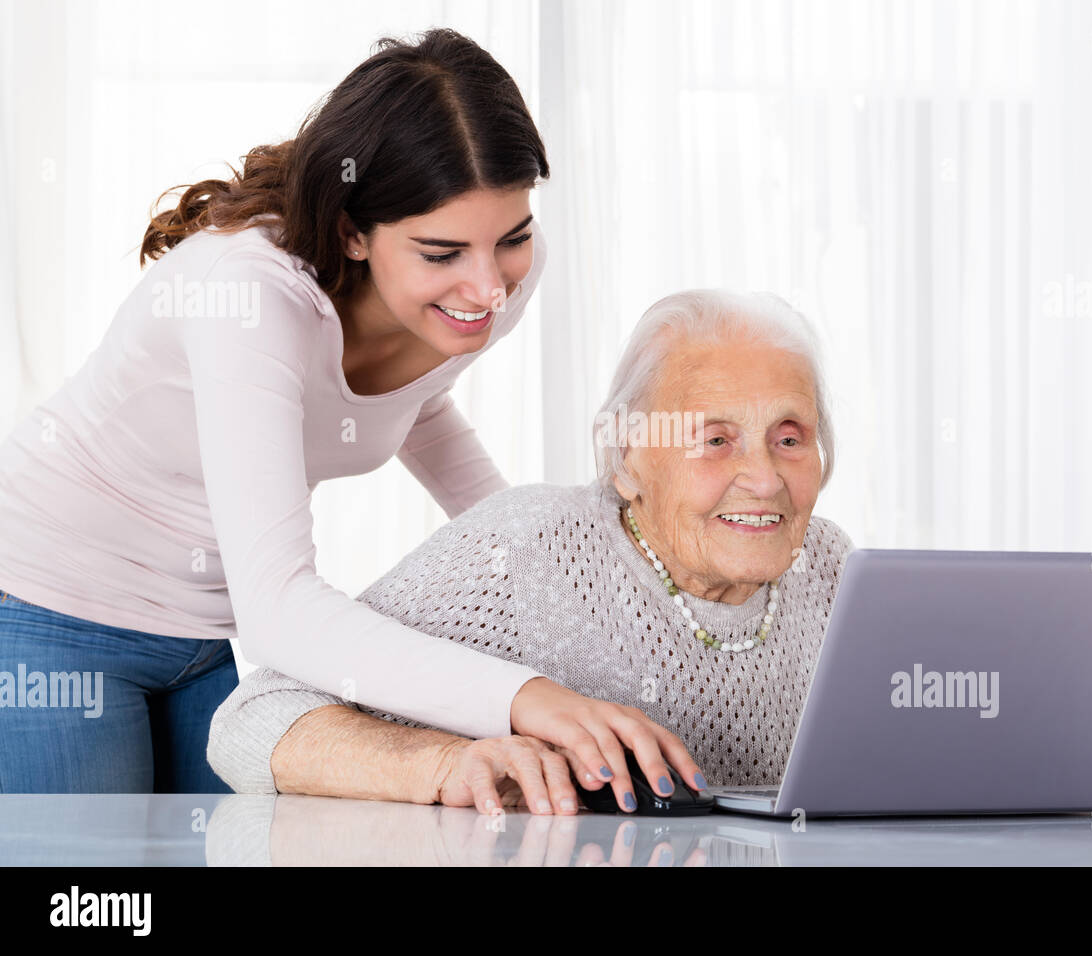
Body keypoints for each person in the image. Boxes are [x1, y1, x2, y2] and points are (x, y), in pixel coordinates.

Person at [0, 28, 685, 793]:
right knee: (92, 900)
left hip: (200, 636)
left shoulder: (488, 284)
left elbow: (414, 404)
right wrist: (524, 697)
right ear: (351, 232)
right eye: (441, 252)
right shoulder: (251, 298)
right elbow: (280, 609)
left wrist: (547, 565)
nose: (489, 287)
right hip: (46, 606)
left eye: (514, 237)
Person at [208, 289, 855, 814]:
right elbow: (253, 719)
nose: (765, 478)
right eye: (716, 439)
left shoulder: (834, 569)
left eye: (790, 438)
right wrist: (444, 763)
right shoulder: (529, 552)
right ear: (628, 458)